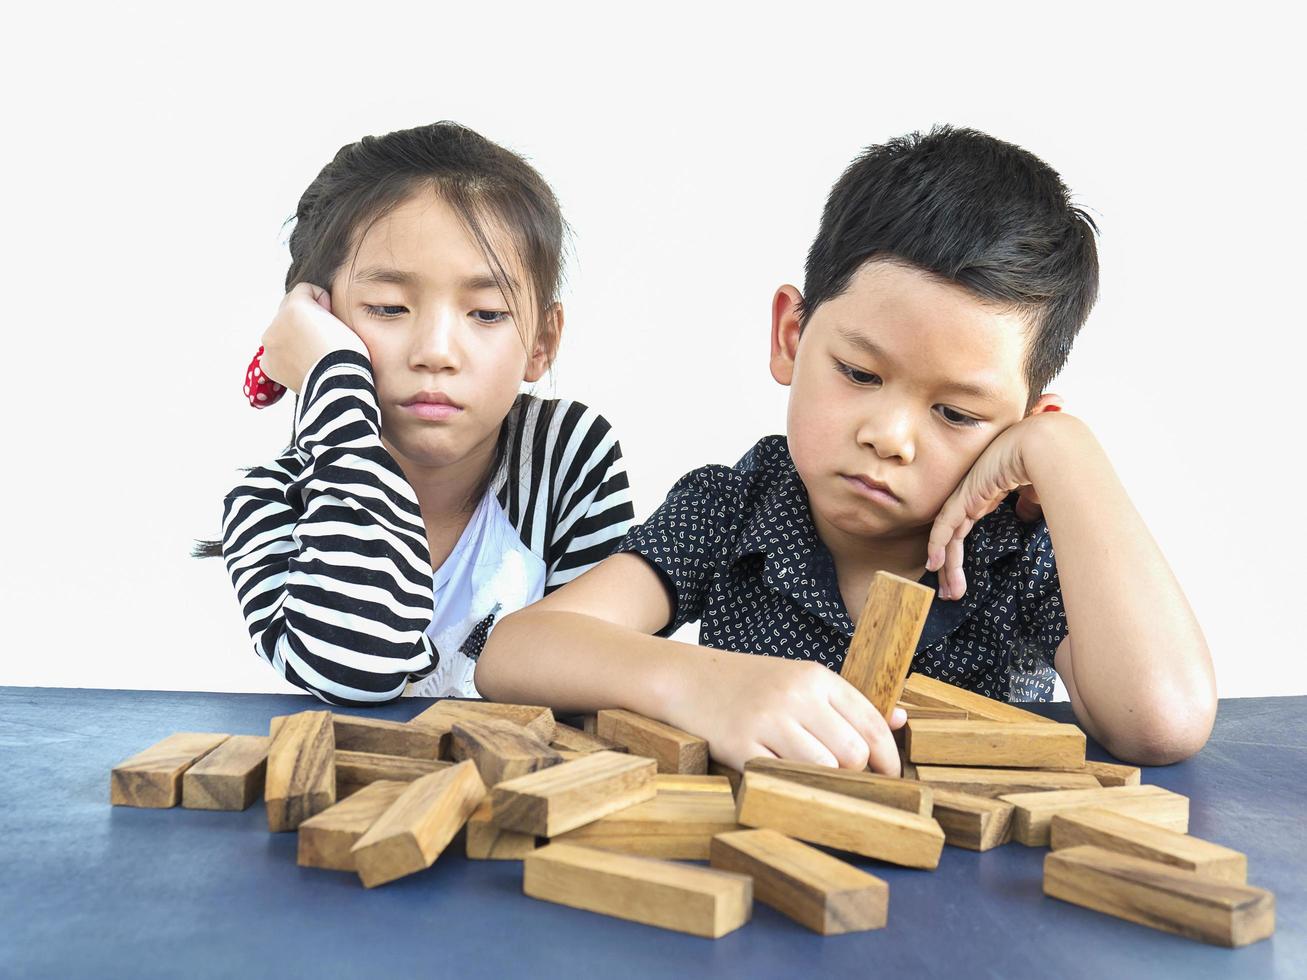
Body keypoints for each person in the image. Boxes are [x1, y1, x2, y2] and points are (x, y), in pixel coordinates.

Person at [475, 126, 1216, 772]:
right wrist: (702, 683)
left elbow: (1161, 723)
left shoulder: (1023, 550)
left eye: (955, 413)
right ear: (790, 337)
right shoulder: (733, 507)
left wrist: (1064, 453)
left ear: (1018, 426)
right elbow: (518, 653)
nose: (887, 437)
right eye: (859, 374)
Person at [199, 122, 634, 704]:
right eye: (388, 307)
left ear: (541, 343)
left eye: (485, 313)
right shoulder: (269, 507)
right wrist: (334, 383)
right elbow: (358, 669)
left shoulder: (562, 458)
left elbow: (604, 679)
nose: (435, 352)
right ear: (315, 324)